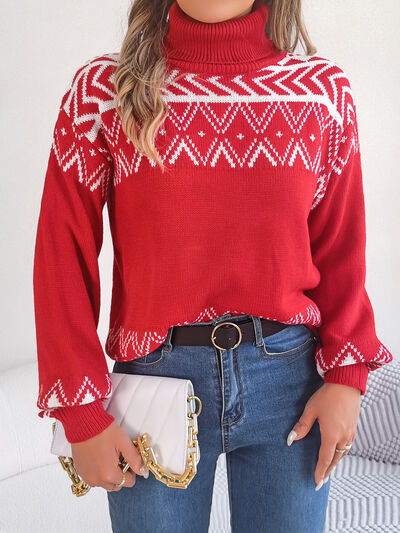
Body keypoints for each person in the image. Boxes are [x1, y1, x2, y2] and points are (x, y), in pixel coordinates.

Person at [33, 0, 394, 531]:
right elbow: (61, 252)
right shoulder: (101, 92)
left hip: (290, 386)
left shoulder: (321, 92)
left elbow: (341, 246)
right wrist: (80, 411)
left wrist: (346, 376)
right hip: (154, 385)